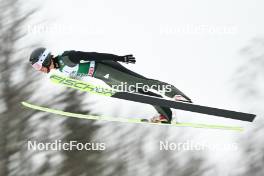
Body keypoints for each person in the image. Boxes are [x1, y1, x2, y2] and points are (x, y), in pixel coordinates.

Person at [29, 47, 192, 123]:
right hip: (105, 78)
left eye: (37, 66)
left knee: (143, 83)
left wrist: (119, 58)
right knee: (140, 94)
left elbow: (93, 55)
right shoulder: (60, 70)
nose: (39, 70)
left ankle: (176, 95)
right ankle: (166, 115)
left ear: (45, 59)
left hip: (108, 69)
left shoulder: (67, 58)